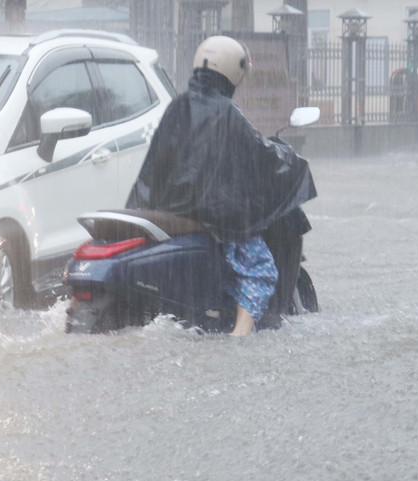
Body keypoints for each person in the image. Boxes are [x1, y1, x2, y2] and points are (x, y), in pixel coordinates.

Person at [125, 35, 317, 336]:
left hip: (170, 212)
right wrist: (289, 159)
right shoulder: (227, 112)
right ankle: (238, 338)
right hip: (214, 217)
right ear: (232, 71)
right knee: (260, 271)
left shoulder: (178, 105)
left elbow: (158, 164)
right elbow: (260, 154)